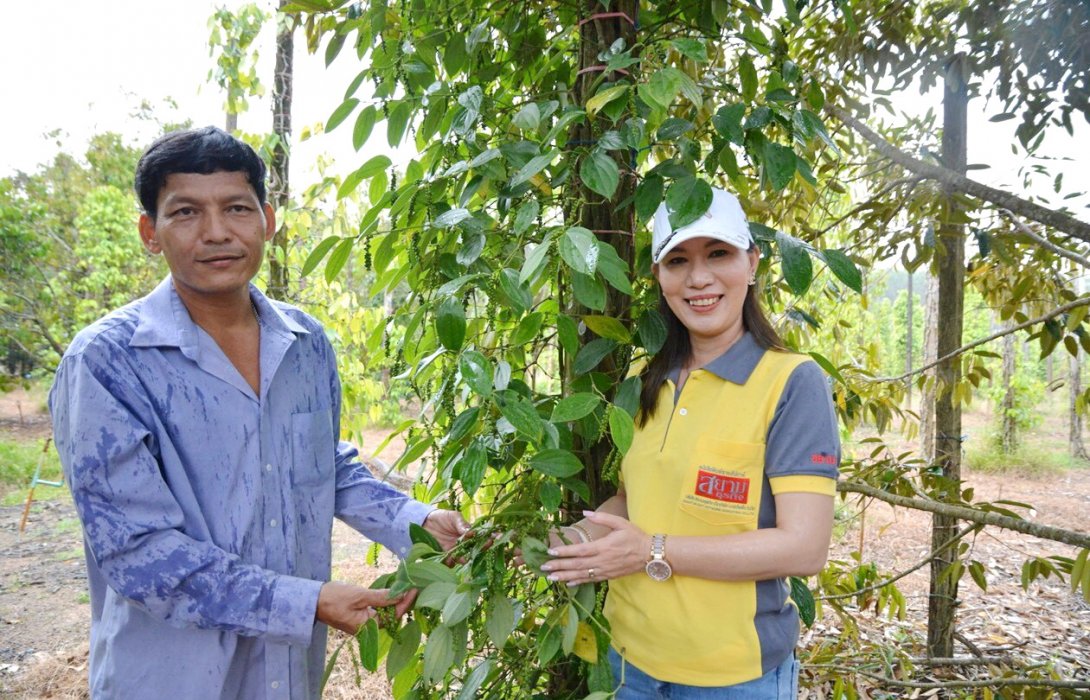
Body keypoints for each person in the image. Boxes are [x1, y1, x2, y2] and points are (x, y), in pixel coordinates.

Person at [49, 126, 468, 699]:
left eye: (237, 208)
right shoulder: (106, 361)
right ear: (151, 232)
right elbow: (140, 554)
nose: (217, 233)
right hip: (170, 682)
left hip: (286, 677)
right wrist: (308, 601)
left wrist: (413, 522)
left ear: (267, 221)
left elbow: (325, 466)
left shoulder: (307, 342)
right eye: (186, 212)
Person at [541, 187, 840, 698]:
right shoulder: (645, 380)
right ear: (659, 277)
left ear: (752, 263)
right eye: (678, 260)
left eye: (717, 254)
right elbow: (635, 500)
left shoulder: (792, 382)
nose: (699, 278)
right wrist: (582, 540)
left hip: (732, 677)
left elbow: (804, 547)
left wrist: (650, 552)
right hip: (627, 662)